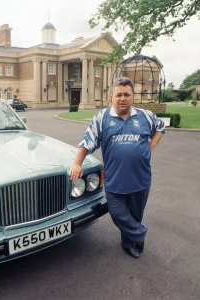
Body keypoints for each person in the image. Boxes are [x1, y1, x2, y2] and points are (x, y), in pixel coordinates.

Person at [70, 77, 165, 258]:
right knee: (118, 213)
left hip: (141, 178)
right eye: (119, 95)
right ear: (111, 97)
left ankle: (129, 243)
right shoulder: (102, 117)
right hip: (115, 179)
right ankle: (140, 234)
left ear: (133, 97)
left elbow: (160, 127)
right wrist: (77, 163)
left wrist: (151, 146)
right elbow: (88, 141)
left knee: (135, 215)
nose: (122, 98)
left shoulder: (145, 115)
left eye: (126, 95)